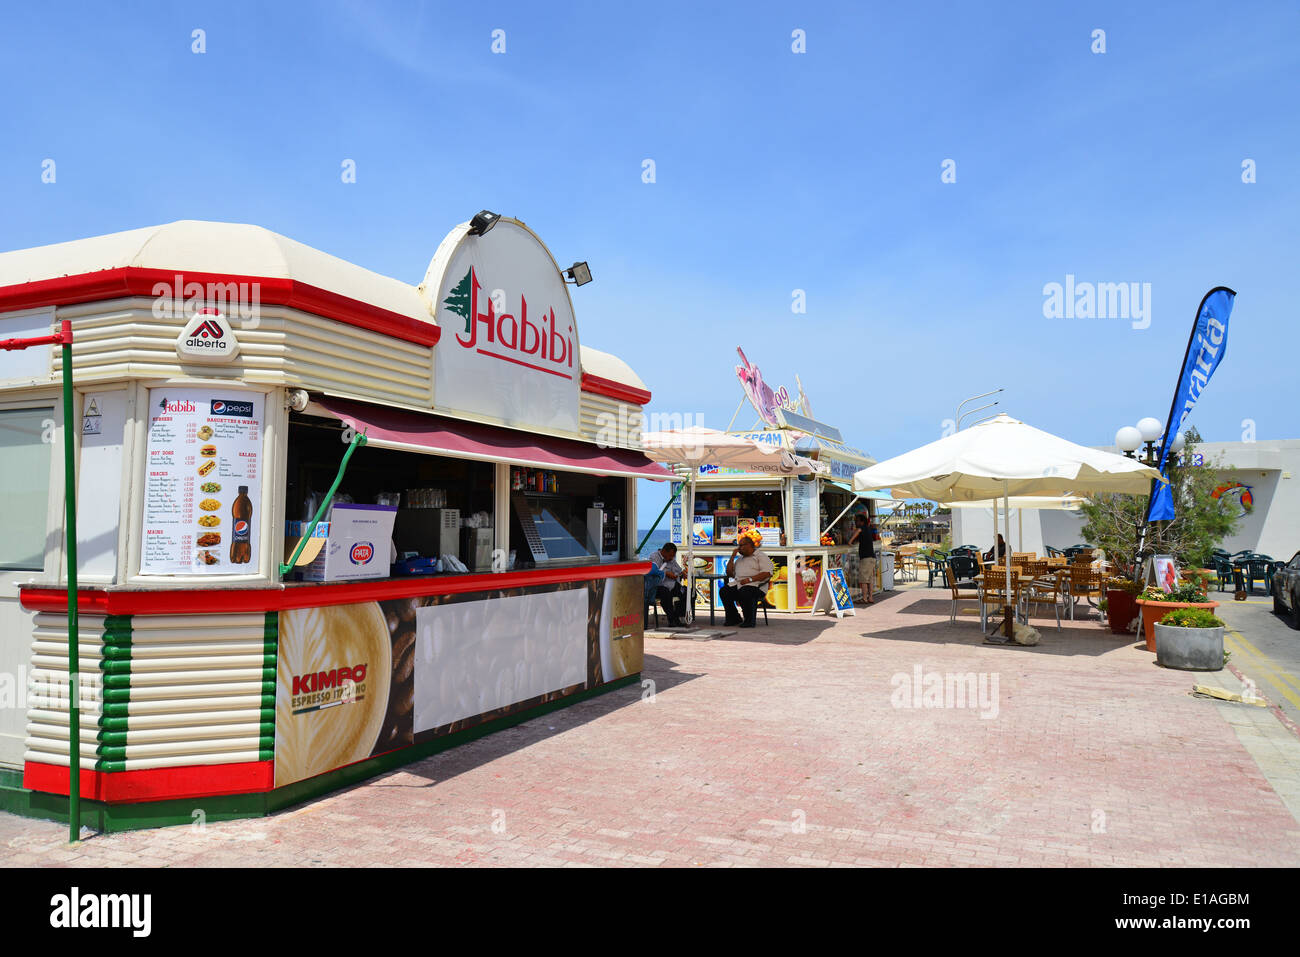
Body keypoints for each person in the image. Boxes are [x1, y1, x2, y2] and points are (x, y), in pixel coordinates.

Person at [719, 536, 774, 628]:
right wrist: (732, 557)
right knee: (724, 591)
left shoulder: (760, 556)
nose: (738, 548)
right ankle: (734, 618)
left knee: (745, 591)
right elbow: (729, 573)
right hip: (740, 584)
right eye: (738, 546)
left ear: (749, 545)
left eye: (741, 546)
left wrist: (750, 579)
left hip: (756, 586)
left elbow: (767, 573)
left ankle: (749, 620)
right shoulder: (740, 559)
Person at [648, 541, 687, 626]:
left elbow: (679, 569)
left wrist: (683, 572)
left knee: (688, 593)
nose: (671, 558)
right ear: (664, 551)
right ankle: (672, 620)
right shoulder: (654, 557)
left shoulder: (671, 559)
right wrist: (666, 573)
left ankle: (678, 617)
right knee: (666, 594)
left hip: (672, 585)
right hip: (658, 585)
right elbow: (654, 570)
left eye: (673, 556)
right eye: (670, 556)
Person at [847, 512, 878, 604]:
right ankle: (870, 597)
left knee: (863, 579)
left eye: (857, 521)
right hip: (872, 557)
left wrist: (850, 541)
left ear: (861, 522)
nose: (856, 523)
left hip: (866, 558)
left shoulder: (861, 528)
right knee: (870, 579)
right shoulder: (868, 529)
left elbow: (857, 532)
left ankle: (864, 598)